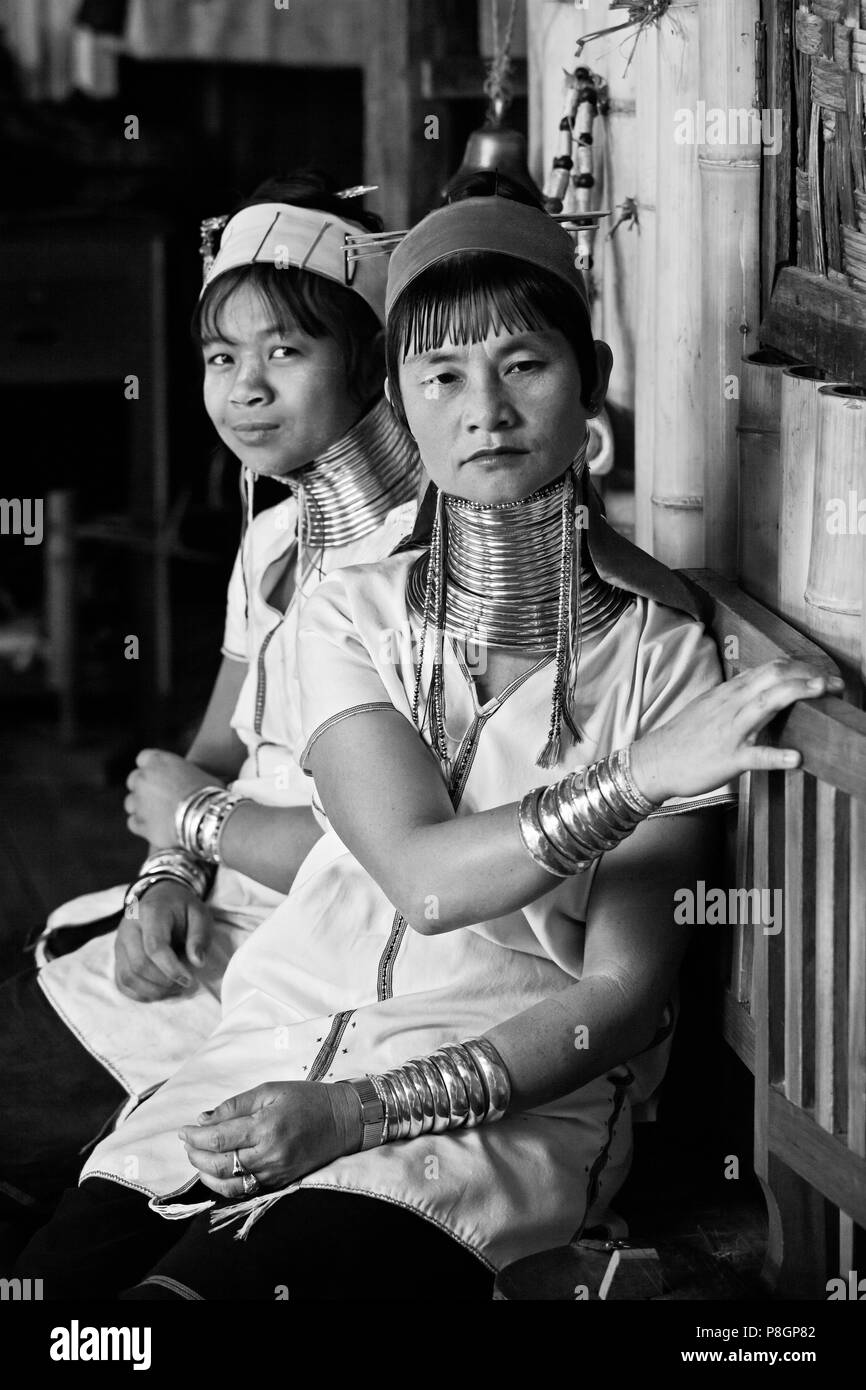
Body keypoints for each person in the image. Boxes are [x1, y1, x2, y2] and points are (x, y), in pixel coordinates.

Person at [14, 187, 842, 1300]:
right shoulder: (341, 610)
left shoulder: (664, 659)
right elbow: (421, 882)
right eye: (441, 376)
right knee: (60, 1310)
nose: (484, 409)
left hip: (485, 1120)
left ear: (590, 379)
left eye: (523, 365)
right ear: (398, 399)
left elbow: (620, 997)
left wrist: (357, 1112)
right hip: (264, 1053)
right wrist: (641, 774)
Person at [0, 171, 420, 1227]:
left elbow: (380, 870)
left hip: (317, 971)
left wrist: (194, 819)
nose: (245, 388)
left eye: (286, 351)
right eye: (222, 357)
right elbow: (214, 744)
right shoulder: (276, 538)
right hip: (210, 920)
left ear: (370, 361)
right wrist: (162, 877)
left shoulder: (420, 563)